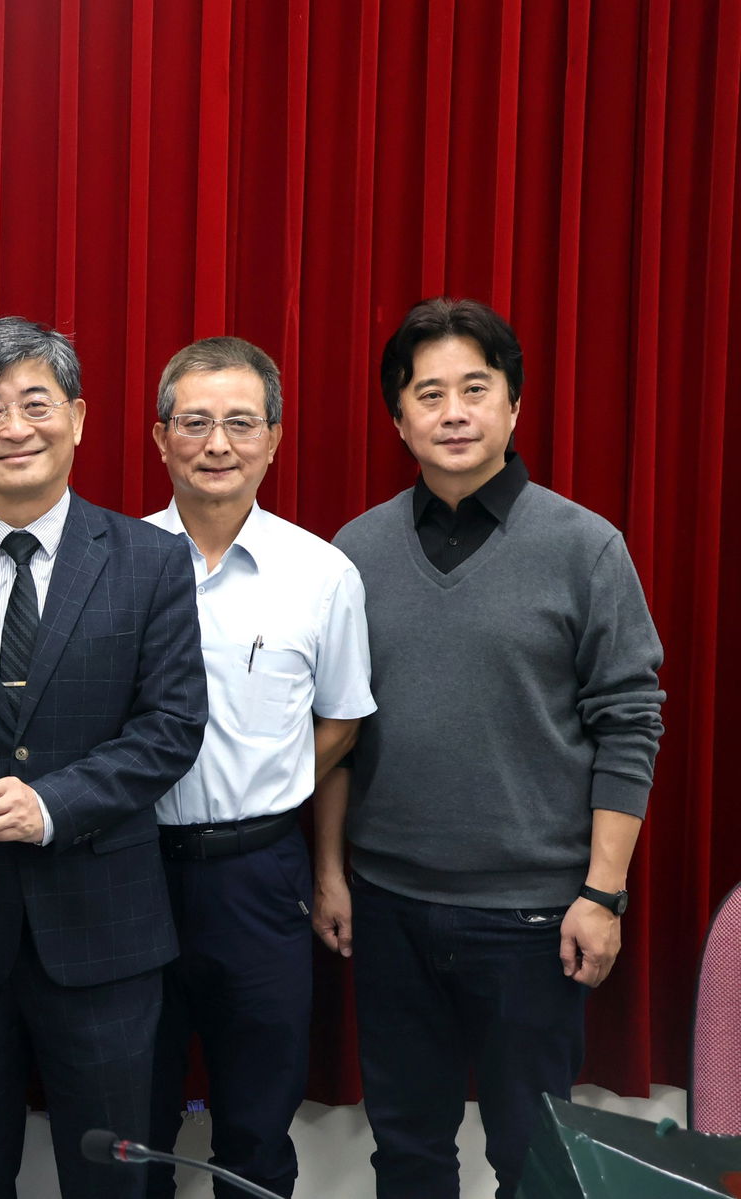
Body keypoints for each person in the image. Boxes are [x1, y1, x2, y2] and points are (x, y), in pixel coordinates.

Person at [315, 298, 665, 1198]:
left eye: (476, 387)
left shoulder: (586, 547)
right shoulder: (355, 552)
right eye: (428, 394)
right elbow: (335, 732)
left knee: (533, 1159)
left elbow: (630, 721)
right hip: (389, 908)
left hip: (532, 919)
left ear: (514, 404)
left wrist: (602, 892)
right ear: (400, 420)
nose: (454, 411)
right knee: (409, 1153)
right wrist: (332, 873)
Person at [0, 316, 208, 1198]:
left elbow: (172, 725)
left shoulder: (152, 560)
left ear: (80, 417)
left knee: (112, 1180)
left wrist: (51, 804)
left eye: (35, 402)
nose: (14, 427)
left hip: (106, 934)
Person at [141, 338, 374, 1198]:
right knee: (135, 1119)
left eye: (241, 423)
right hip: (131, 873)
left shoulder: (323, 573)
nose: (217, 444)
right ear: (158, 436)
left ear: (275, 438)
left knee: (258, 1125)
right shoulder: (111, 562)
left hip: (260, 875)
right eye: (195, 422)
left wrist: (314, 847)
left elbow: (345, 719)